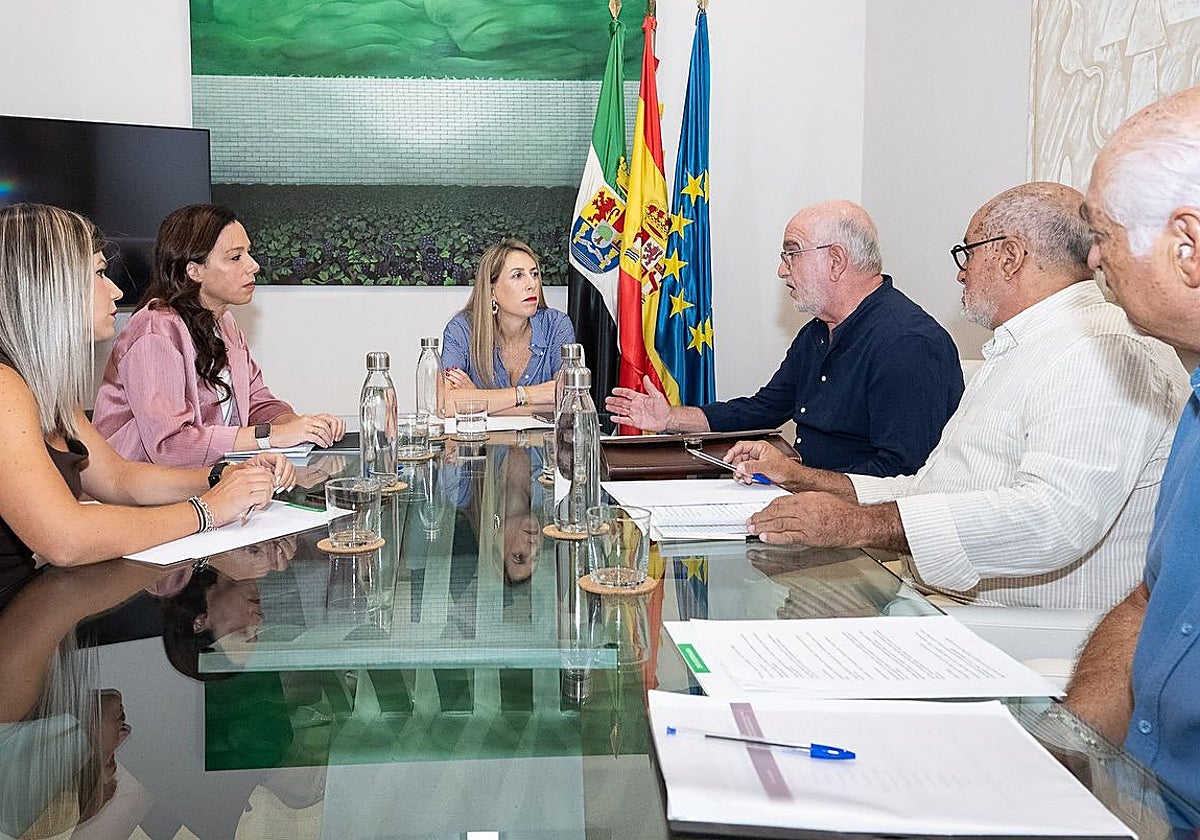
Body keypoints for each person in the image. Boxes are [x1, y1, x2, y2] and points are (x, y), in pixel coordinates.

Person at [730, 183, 1189, 610]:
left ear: (1010, 256)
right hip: (935, 599)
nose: (960, 273)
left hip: (1015, 630)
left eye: (967, 253)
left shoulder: (1102, 351)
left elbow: (1052, 519)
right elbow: (926, 489)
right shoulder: (1022, 348)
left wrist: (860, 524)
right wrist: (806, 482)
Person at [0, 203, 294, 612]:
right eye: (100, 274)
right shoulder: (3, 387)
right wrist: (209, 509)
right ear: (48, 284)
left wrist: (218, 476)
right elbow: (66, 538)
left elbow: (119, 479)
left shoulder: (45, 389)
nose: (117, 291)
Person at [1065, 85, 1200, 829]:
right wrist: (1071, 743)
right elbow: (1154, 601)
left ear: (1188, 246)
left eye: (1105, 233)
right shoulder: (1193, 400)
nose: (1093, 258)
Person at [606, 200, 964, 477]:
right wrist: (670, 418)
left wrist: (794, 478)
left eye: (791, 253)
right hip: (808, 506)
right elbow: (763, 409)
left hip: (863, 542)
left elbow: (903, 475)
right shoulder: (818, 332)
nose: (781, 269)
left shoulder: (909, 344)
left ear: (836, 261)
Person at [92, 204, 345, 467]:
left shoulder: (224, 321)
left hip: (208, 486)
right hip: (139, 499)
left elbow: (257, 404)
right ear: (195, 271)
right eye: (236, 257)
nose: (254, 266)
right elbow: (170, 445)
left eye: (249, 253)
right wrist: (273, 435)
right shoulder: (155, 330)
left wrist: (301, 426)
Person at [441, 237, 576, 414]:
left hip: (545, 441)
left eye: (534, 274)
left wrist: (476, 400)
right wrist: (528, 395)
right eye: (518, 275)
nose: (532, 284)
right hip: (478, 442)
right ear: (492, 291)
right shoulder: (461, 329)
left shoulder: (557, 325)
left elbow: (570, 402)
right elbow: (446, 405)